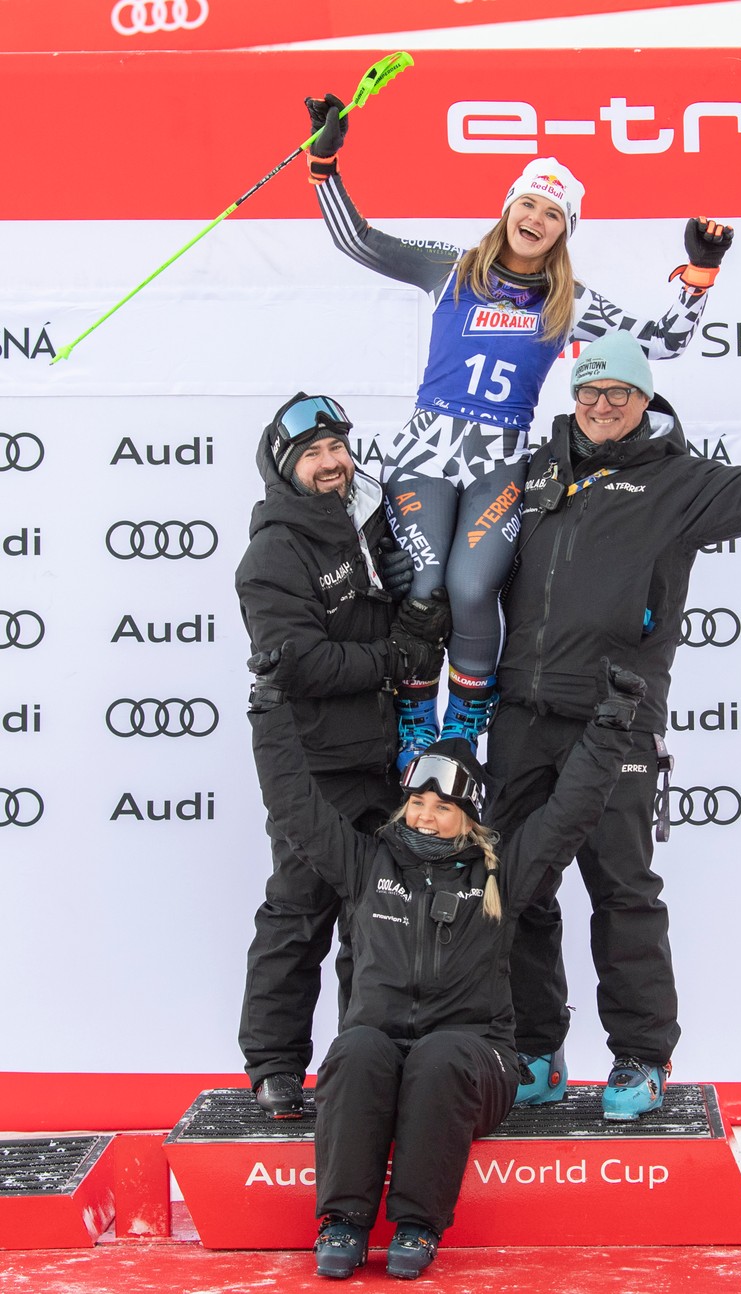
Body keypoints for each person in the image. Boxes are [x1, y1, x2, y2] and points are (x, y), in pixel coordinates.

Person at [488, 329, 741, 1120]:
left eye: (618, 395)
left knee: (622, 890)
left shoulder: (678, 482)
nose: (601, 407)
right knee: (515, 886)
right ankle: (535, 1047)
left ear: (643, 400)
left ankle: (639, 1058)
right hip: (522, 714)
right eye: (590, 393)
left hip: (615, 718)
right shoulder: (533, 475)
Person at [303, 90, 734, 766]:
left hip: (499, 458)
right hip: (428, 449)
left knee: (475, 590)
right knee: (424, 584)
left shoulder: (568, 300)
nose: (536, 218)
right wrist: (325, 163)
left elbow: (662, 344)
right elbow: (358, 239)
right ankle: (417, 717)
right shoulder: (451, 268)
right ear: (509, 208)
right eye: (528, 203)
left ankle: (467, 718)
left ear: (564, 229)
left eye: (553, 212)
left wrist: (698, 275)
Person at [246, 641, 646, 1280]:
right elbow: (295, 804)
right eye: (420, 803)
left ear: (469, 816)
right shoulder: (366, 863)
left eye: (446, 808)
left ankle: (416, 1224)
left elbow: (571, 812)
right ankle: (343, 1220)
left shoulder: (501, 874)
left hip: (475, 1057)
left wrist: (611, 723)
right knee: (354, 1050)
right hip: (383, 1047)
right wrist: (268, 709)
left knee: (440, 1056)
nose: (428, 818)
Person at [235, 391, 449, 1119]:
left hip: (380, 764)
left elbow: (392, 612)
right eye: (313, 455)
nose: (331, 464)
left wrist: (421, 618)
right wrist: (393, 656)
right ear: (286, 467)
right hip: (315, 771)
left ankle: (365, 1062)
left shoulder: (363, 521)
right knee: (298, 914)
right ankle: (273, 1066)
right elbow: (296, 661)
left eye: (337, 449)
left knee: (376, 925)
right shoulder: (273, 552)